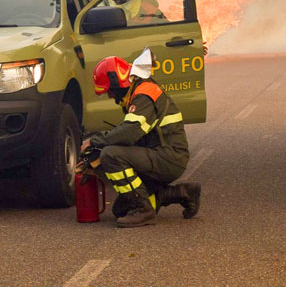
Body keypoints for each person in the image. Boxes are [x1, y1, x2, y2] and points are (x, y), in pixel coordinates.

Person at [80, 53, 201, 227]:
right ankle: (184, 192)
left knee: (111, 155)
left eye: (110, 91)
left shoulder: (143, 94)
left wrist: (95, 142)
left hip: (168, 157)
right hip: (160, 154)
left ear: (117, 82)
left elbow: (131, 132)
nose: (111, 97)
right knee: (120, 210)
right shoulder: (137, 92)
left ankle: (144, 210)